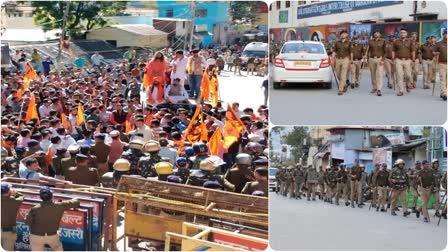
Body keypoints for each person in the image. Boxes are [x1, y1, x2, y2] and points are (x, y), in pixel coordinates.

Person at [25, 187, 80, 251]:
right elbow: (76, 202)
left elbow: (27, 222)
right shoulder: (60, 205)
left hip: (36, 235)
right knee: (57, 247)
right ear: (52, 196)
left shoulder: (34, 209)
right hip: (52, 235)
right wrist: (75, 199)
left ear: (40, 197)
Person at [392, 28, 416, 96]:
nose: (403, 34)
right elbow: (393, 50)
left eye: (404, 33)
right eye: (401, 33)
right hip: (398, 60)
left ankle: (408, 85)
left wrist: (413, 60)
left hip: (407, 60)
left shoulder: (410, 41)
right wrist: (393, 59)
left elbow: (413, 51)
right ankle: (401, 90)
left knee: (408, 75)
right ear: (400, 34)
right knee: (399, 75)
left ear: (406, 34)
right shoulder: (396, 41)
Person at [1, 182, 23, 251]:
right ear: (8, 191)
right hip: (9, 231)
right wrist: (15, 192)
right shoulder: (15, 201)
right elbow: (21, 196)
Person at [364, 30, 386, 96]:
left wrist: (383, 60)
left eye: (378, 33)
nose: (376, 34)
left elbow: (385, 52)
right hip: (371, 59)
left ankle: (379, 89)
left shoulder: (383, 41)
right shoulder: (370, 41)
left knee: (379, 74)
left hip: (379, 59)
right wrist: (366, 57)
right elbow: (366, 51)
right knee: (373, 74)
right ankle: (374, 87)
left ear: (380, 34)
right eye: (375, 33)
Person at [332, 30, 351, 95]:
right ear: (340, 35)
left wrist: (351, 61)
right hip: (338, 59)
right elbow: (334, 52)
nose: (343, 35)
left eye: (344, 34)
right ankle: (345, 84)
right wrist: (332, 60)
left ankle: (341, 89)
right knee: (338, 74)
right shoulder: (337, 43)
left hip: (345, 59)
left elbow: (351, 52)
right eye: (342, 34)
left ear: (347, 35)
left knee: (343, 74)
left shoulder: (349, 43)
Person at [433, 30, 447, 101]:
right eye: (446, 34)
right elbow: (433, 52)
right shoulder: (438, 43)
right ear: (443, 35)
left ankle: (442, 92)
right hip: (442, 64)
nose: (447, 35)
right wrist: (436, 53)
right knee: (442, 79)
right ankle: (444, 93)